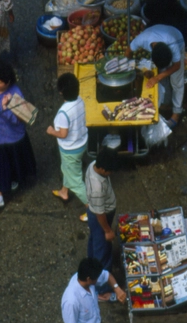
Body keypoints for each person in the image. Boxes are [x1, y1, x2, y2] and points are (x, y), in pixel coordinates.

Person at [0, 59, 36, 211]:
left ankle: (12, 180)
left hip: (10, 136)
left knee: (11, 163)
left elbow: (19, 120)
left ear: (8, 83)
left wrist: (8, 107)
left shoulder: (16, 94)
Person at [130, 25, 185, 124]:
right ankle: (164, 103)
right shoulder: (142, 39)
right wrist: (128, 68)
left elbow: (177, 66)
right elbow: (128, 50)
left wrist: (158, 77)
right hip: (159, 35)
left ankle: (177, 112)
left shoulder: (173, 45)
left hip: (177, 38)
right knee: (159, 74)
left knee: (177, 81)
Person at [49, 72, 88, 207]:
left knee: (76, 183)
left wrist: (52, 131)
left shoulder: (63, 112)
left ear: (61, 92)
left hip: (71, 149)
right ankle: (64, 192)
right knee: (67, 169)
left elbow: (63, 134)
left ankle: (93, 209)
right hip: (81, 142)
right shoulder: (80, 100)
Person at [62, 257, 126, 322]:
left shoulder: (85, 276)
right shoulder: (71, 302)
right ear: (88, 279)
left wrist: (117, 289)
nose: (98, 278)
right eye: (97, 277)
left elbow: (107, 275)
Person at [84, 146, 119, 267]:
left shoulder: (94, 164)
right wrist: (108, 231)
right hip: (100, 218)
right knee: (102, 250)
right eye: (110, 171)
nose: (111, 173)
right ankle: (102, 282)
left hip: (94, 211)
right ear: (103, 170)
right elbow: (100, 214)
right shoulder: (97, 189)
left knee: (95, 240)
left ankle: (91, 262)